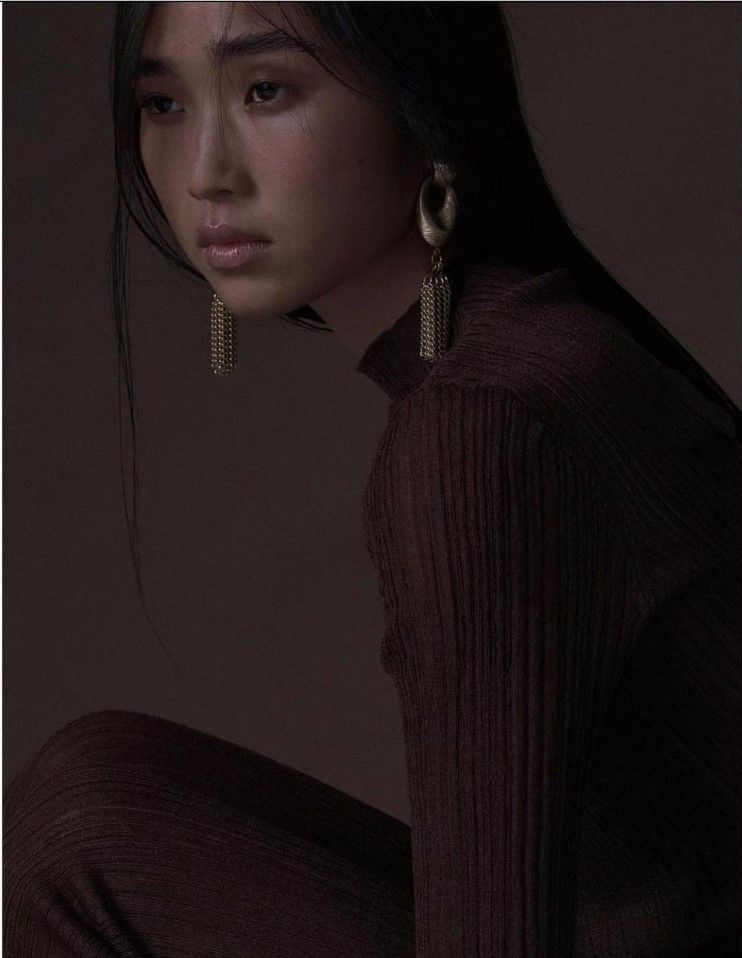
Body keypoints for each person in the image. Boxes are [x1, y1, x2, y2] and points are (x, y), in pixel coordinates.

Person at [4, 3, 741, 956]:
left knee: (71, 834)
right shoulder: (537, 349)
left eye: (266, 90)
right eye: (164, 104)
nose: (204, 173)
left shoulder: (486, 428)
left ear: (422, 107)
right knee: (92, 804)